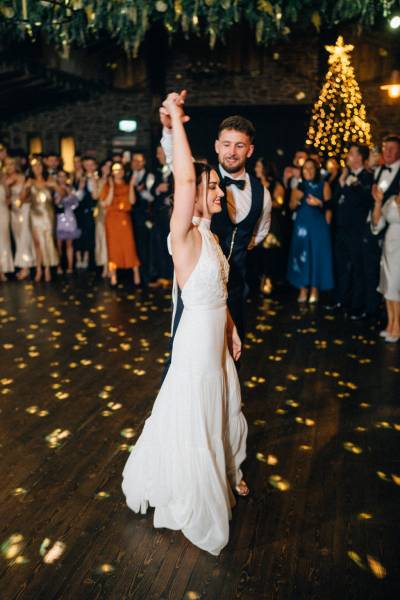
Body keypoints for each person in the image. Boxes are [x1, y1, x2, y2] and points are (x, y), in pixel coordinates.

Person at [122, 92, 248, 557]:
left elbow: (217, 294)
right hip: (195, 348)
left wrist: (232, 327)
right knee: (193, 416)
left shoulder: (211, 236)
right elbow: (185, 175)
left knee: (220, 410)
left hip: (215, 342)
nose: (218, 193)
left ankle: (223, 472)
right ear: (194, 193)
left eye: (218, 187)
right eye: (211, 187)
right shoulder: (185, 235)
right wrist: (174, 120)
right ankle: (192, 491)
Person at [161, 98, 271, 345]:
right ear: (217, 146)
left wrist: (239, 249)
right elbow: (176, 164)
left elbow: (258, 234)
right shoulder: (200, 177)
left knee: (232, 359)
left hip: (234, 290)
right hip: (196, 291)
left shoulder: (262, 194)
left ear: (249, 150)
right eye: (227, 144)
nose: (232, 152)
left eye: (240, 146)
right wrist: (170, 128)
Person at [330, 145, 373, 318]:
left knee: (357, 269)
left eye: (352, 154)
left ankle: (357, 306)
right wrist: (341, 183)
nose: (348, 156)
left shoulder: (367, 177)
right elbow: (335, 201)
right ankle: (342, 300)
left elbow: (362, 202)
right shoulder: (345, 175)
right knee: (341, 267)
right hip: (341, 230)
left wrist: (348, 186)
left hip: (357, 231)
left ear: (361, 158)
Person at [363, 135, 400, 318]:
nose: (388, 152)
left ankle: (392, 320)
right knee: (374, 271)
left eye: (393, 149)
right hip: (375, 225)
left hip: (394, 230)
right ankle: (374, 311)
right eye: (386, 148)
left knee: (394, 277)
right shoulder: (377, 171)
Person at [287, 158, 333, 303]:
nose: (308, 171)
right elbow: (291, 206)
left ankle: (314, 288)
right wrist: (297, 199)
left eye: (311, 168)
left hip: (318, 227)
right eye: (305, 168)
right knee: (301, 255)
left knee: (316, 256)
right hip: (301, 226)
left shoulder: (323, 184)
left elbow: (330, 208)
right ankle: (302, 288)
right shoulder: (299, 186)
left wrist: (319, 203)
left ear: (316, 170)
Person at [100, 162, 141, 287]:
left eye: (120, 169)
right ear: (112, 172)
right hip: (112, 220)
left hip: (124, 219)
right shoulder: (106, 186)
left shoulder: (128, 185)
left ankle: (136, 275)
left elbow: (132, 201)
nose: (118, 172)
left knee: (129, 246)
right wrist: (112, 187)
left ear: (123, 171)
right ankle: (113, 277)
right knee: (113, 247)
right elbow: (105, 203)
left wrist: (132, 186)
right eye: (115, 169)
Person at [22, 158, 59, 282]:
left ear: (43, 167)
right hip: (34, 214)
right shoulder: (30, 181)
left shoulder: (50, 180)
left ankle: (47, 268)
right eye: (34, 166)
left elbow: (63, 194)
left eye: (39, 166)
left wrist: (56, 186)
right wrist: (25, 188)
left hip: (47, 214)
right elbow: (22, 199)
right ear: (31, 169)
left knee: (47, 241)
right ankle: (39, 269)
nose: (37, 168)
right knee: (37, 243)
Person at [371, 186, 400, 342]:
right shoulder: (391, 199)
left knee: (396, 287)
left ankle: (397, 325)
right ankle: (390, 323)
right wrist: (378, 202)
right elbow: (378, 223)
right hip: (388, 246)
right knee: (387, 286)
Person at [254, 157, 287, 293]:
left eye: (258, 166)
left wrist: (263, 203)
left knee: (270, 256)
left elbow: (279, 203)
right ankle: (257, 285)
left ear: (265, 169)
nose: (256, 168)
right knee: (257, 256)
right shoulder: (254, 184)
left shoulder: (276, 185)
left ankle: (269, 286)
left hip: (271, 224)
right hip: (256, 224)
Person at [5, 157, 35, 280]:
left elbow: (26, 196)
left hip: (23, 209)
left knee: (24, 236)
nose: (9, 167)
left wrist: (20, 199)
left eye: (11, 164)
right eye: (6, 164)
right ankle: (22, 265)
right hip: (13, 211)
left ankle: (26, 267)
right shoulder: (5, 178)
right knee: (17, 237)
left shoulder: (22, 178)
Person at [149, 145, 174, 288]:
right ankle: (162, 276)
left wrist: (169, 191)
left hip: (171, 214)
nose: (158, 156)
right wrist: (158, 189)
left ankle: (171, 277)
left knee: (171, 246)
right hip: (159, 215)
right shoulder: (158, 173)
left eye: (160, 153)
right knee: (159, 245)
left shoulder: (175, 171)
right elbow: (152, 192)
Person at [129, 152, 155, 284]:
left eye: (139, 161)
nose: (136, 163)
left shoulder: (149, 176)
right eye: (134, 160)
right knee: (132, 246)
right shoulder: (128, 175)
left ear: (143, 162)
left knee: (144, 246)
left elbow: (152, 197)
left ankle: (146, 275)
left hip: (143, 216)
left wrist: (140, 191)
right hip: (129, 217)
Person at [55, 170, 82, 274]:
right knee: (59, 245)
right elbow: (56, 203)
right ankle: (59, 266)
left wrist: (70, 194)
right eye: (59, 176)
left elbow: (75, 204)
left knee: (69, 244)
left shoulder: (70, 189)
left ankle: (70, 266)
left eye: (63, 176)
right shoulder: (55, 189)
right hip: (59, 218)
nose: (61, 179)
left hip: (69, 217)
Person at [74, 156, 97, 270]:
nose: (89, 167)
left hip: (91, 210)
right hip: (79, 211)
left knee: (89, 234)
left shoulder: (97, 178)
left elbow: (95, 195)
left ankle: (87, 258)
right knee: (78, 234)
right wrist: (81, 187)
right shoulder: (79, 178)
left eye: (91, 165)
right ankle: (78, 258)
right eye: (86, 165)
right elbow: (76, 197)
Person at [0, 174, 14, 281]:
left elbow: (8, 199)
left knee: (4, 241)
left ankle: (3, 269)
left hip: (3, 214)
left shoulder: (4, 180)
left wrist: (5, 185)